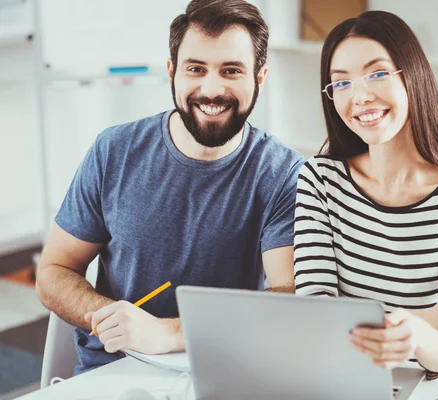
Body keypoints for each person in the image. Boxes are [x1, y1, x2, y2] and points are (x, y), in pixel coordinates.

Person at [36, 0, 303, 374]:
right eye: (196, 69)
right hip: (113, 373)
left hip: (225, 368)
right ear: (172, 71)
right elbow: (54, 270)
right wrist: (110, 319)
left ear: (259, 78)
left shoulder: (283, 173)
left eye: (231, 71)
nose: (212, 89)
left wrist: (170, 332)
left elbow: (291, 298)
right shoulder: (113, 150)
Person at [293, 10, 438, 379]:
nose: (359, 96)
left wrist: (417, 335)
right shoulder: (320, 180)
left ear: (413, 76)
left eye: (377, 74)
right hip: (358, 377)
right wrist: (417, 319)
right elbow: (315, 318)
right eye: (341, 83)